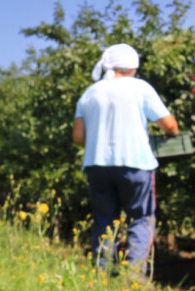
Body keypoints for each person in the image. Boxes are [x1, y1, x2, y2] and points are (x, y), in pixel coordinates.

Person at [72, 43, 179, 277]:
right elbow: (170, 125)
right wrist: (169, 135)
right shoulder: (140, 88)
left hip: (97, 164)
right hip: (136, 162)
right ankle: (132, 276)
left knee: (104, 220)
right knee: (140, 218)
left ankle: (102, 275)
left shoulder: (90, 92)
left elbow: (78, 137)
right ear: (132, 67)